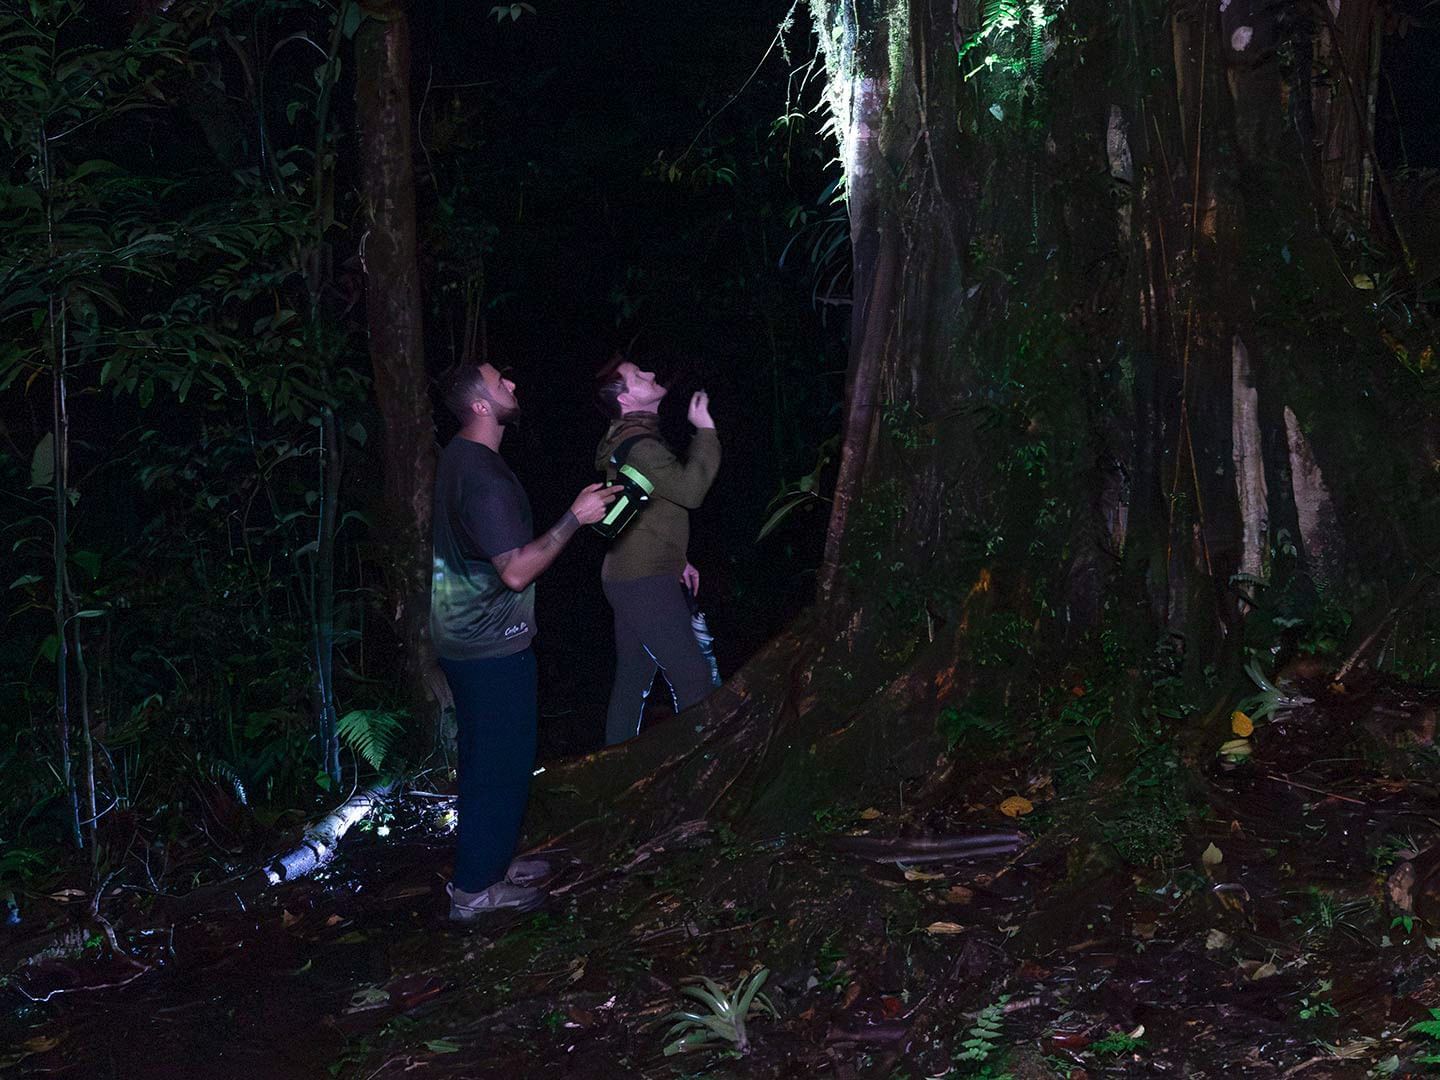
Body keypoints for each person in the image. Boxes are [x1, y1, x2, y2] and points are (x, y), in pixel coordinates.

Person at [431, 361, 618, 921]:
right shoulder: (483, 476)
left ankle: (489, 864)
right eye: (500, 383)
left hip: (462, 635)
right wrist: (575, 518)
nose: (513, 384)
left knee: (484, 758)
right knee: (501, 764)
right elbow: (515, 571)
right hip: (489, 644)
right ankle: (473, 893)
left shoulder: (460, 458)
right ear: (482, 407)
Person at [593, 357, 721, 746]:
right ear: (627, 399)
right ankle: (696, 770)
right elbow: (689, 490)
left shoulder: (630, 440)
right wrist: (706, 432)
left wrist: (679, 559)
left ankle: (617, 771)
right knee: (693, 677)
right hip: (643, 579)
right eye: (638, 376)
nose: (651, 374)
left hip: (634, 573)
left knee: (633, 678)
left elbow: (649, 507)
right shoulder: (640, 446)